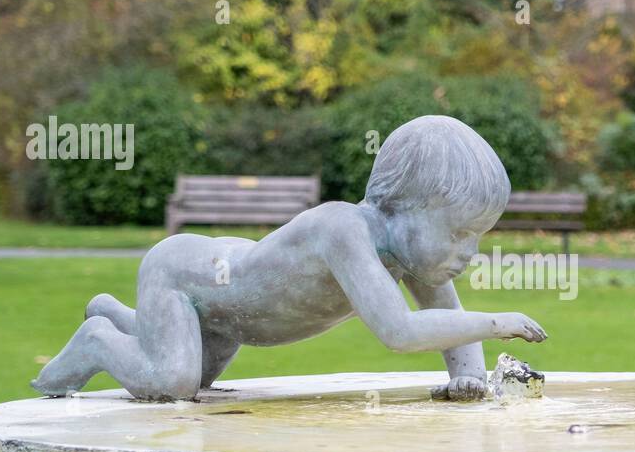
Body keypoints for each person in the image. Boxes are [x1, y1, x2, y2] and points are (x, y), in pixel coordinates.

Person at [33, 115, 546, 402]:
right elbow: (399, 332)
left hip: (230, 314)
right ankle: (98, 340)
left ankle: (118, 315)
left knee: (191, 373)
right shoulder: (343, 229)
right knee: (174, 385)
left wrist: (468, 382)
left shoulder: (414, 255)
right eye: (458, 233)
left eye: (477, 237)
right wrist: (498, 322)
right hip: (186, 277)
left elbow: (451, 323)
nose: (469, 253)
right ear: (405, 206)